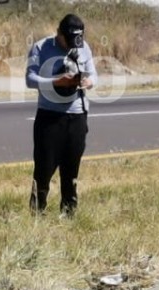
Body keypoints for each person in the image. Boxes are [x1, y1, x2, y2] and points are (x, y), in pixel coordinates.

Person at [26, 14, 98, 216]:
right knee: (44, 169)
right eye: (69, 40)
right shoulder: (41, 47)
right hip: (50, 117)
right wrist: (56, 81)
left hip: (77, 116)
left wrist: (87, 82)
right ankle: (37, 213)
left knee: (71, 168)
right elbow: (30, 79)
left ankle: (69, 213)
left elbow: (94, 75)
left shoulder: (83, 47)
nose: (72, 46)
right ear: (59, 34)